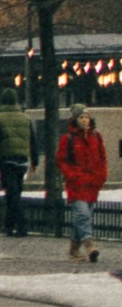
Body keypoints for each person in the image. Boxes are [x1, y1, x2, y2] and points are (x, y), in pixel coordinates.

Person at [58, 102, 108, 264]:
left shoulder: (96, 137)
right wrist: (72, 175)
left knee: (83, 218)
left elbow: (102, 158)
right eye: (81, 117)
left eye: (86, 117)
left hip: (92, 184)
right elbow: (61, 160)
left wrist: (101, 176)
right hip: (77, 184)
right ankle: (89, 245)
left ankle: (73, 249)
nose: (85, 120)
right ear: (75, 119)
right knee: (83, 215)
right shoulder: (68, 139)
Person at [0, 96, 34, 238]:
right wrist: (34, 160)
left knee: (12, 193)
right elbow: (32, 139)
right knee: (15, 191)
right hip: (22, 160)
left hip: (6, 160)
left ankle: (21, 225)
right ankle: (9, 225)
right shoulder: (26, 118)